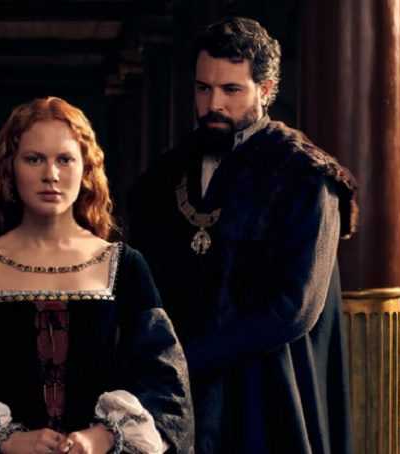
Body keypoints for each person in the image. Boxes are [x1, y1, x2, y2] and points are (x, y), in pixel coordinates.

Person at [0, 97, 194, 454]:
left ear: (86, 167)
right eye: (34, 159)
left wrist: (104, 436)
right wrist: (7, 439)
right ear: (11, 167)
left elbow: (165, 385)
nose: (51, 174)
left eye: (65, 159)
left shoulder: (126, 267)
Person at [128, 17, 357, 454]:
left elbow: (296, 308)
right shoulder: (166, 173)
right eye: (203, 88)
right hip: (181, 392)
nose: (213, 103)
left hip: (268, 390)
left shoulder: (304, 175)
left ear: (265, 90)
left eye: (231, 90)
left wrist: (193, 355)